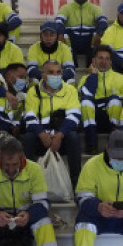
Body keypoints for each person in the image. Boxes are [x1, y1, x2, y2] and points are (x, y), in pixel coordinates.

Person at [20, 60, 83, 189]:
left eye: (58, 72)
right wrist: (42, 134)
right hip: (41, 140)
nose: (55, 76)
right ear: (43, 75)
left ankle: (76, 182)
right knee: (27, 138)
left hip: (62, 139)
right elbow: (30, 117)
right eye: (51, 72)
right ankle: (27, 182)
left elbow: (74, 116)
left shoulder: (70, 90)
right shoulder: (33, 91)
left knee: (74, 137)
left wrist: (59, 135)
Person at [78, 44, 123, 154]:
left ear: (111, 62)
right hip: (92, 121)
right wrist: (93, 76)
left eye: (107, 59)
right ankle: (91, 144)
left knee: (115, 100)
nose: (103, 61)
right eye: (100, 58)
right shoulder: (85, 79)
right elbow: (85, 95)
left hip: (113, 120)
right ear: (94, 61)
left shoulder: (122, 79)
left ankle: (115, 141)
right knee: (86, 101)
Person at [54, 0, 108, 68]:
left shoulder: (95, 8)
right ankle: (72, 67)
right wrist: (60, 34)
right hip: (73, 40)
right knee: (64, 34)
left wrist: (99, 34)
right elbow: (58, 21)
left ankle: (91, 67)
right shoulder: (66, 8)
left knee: (98, 34)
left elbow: (103, 22)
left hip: (89, 40)